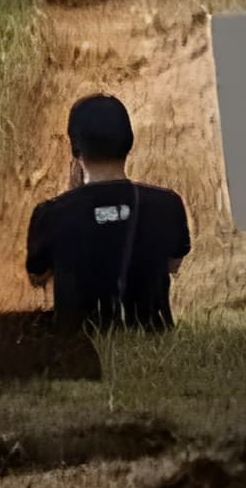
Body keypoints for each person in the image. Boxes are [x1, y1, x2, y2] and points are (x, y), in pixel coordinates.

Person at [25, 94, 193, 331]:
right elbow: (172, 265)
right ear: (129, 142)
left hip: (80, 344)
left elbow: (38, 277)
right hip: (153, 339)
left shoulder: (51, 213)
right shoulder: (167, 205)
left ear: (75, 147)